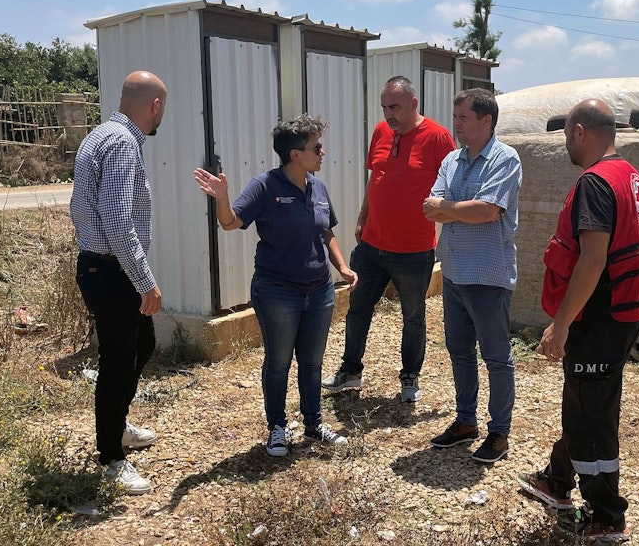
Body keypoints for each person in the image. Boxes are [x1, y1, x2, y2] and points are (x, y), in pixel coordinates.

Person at [520, 99, 639, 543]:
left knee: (591, 418)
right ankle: (556, 481)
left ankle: (606, 515)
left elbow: (593, 259)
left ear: (579, 131)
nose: (566, 145)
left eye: (566, 137)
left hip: (598, 317)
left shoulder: (595, 182)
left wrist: (561, 324)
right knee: (586, 402)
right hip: (623, 309)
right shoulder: (629, 174)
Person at [193, 114, 358, 458]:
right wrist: (222, 197)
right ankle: (277, 428)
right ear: (295, 154)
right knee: (279, 360)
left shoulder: (319, 187)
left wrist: (342, 266)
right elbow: (231, 223)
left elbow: (326, 232)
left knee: (312, 363)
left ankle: (313, 425)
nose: (323, 152)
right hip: (277, 291)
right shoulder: (265, 186)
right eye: (317, 147)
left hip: (320, 290)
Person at [322, 76, 455, 402]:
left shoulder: (438, 137)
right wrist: (363, 215)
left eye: (394, 107)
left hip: (413, 249)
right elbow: (376, 176)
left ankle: (410, 378)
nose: (388, 114)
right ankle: (350, 371)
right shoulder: (381, 132)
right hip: (372, 244)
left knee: (413, 316)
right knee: (358, 309)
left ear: (413, 104)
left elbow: (453, 184)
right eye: (384, 107)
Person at [70, 70, 167, 495]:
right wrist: (145, 281)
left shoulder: (100, 134)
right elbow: (117, 220)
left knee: (140, 347)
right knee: (117, 363)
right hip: (113, 271)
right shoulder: (124, 143)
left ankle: (119, 425)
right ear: (155, 106)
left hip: (103, 267)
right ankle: (111, 455)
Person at [423, 88, 522, 463]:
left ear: (486, 120)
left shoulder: (505, 159)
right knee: (459, 351)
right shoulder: (452, 159)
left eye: (463, 117)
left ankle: (499, 432)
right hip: (453, 270)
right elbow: (430, 208)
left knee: (496, 357)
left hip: (488, 272)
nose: (457, 123)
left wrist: (451, 208)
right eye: (456, 116)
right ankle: (466, 421)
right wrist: (456, 208)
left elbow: (486, 211)